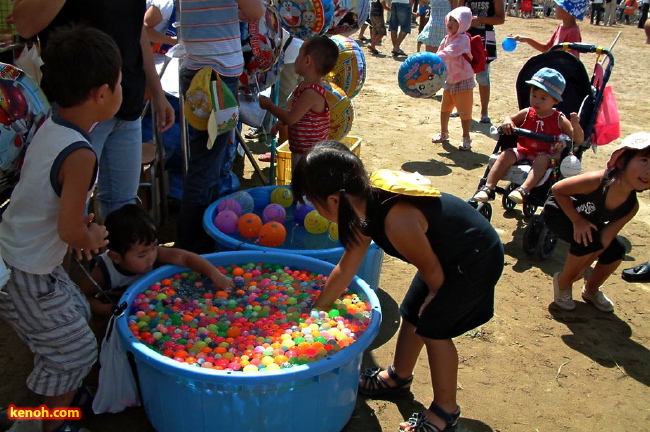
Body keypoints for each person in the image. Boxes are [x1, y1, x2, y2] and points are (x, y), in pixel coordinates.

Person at [290, 141, 504, 432]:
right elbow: (345, 268)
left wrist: (435, 297)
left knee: (433, 327)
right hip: (444, 256)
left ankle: (445, 412)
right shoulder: (359, 209)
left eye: (312, 201)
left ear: (333, 200)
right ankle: (397, 378)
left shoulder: (395, 218)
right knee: (412, 313)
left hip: (474, 256)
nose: (312, 208)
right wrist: (317, 312)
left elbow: (431, 271)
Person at [0, 26, 120, 432]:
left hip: (28, 260)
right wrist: (94, 237)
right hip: (25, 271)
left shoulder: (52, 126)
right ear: (102, 94)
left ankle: (57, 398)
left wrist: (75, 226)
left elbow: (51, 202)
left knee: (77, 314)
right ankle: (48, 423)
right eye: (119, 84)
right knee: (75, 352)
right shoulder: (81, 153)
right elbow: (71, 232)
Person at [11, 0, 175, 220]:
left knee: (123, 205)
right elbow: (24, 24)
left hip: (126, 101)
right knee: (66, 209)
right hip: (78, 109)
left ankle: (111, 254)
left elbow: (137, 33)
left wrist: (157, 92)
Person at [177, 0, 265, 254]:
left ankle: (200, 237)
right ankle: (195, 246)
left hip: (198, 70)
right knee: (207, 165)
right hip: (216, 78)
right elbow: (256, 11)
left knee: (208, 161)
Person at [79, 205, 234, 333]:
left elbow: (186, 258)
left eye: (153, 247)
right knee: (103, 323)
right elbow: (83, 295)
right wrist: (105, 309)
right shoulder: (104, 270)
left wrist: (215, 274)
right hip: (119, 306)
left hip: (151, 305)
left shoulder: (153, 253)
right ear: (116, 257)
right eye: (142, 255)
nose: (151, 257)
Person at [544, 132, 650, 312]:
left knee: (616, 249)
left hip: (590, 222)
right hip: (560, 213)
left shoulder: (631, 206)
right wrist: (577, 220)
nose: (649, 171)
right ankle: (563, 282)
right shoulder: (598, 180)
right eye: (645, 161)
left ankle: (591, 289)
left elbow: (606, 238)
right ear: (623, 161)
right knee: (586, 240)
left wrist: (585, 267)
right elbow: (558, 190)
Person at [473, 68, 584, 204]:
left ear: (555, 101)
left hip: (545, 154)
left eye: (543, 98)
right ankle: (488, 186)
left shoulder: (559, 119)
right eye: (534, 96)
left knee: (542, 159)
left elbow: (577, 139)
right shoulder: (527, 112)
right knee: (506, 154)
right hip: (523, 150)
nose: (537, 101)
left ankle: (524, 189)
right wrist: (508, 122)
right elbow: (510, 118)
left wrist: (576, 125)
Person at [259, 36, 339, 169]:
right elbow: (297, 114)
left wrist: (269, 105)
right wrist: (280, 123)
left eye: (298, 56)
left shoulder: (311, 92)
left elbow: (291, 118)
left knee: (305, 187)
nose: (295, 60)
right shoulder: (303, 86)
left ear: (307, 60)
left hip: (311, 156)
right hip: (302, 151)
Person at [431, 7, 476, 151]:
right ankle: (444, 133)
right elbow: (440, 51)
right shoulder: (447, 37)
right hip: (450, 80)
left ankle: (466, 137)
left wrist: (434, 57)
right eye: (449, 19)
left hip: (463, 80)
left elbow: (450, 52)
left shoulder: (462, 39)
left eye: (454, 21)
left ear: (462, 24)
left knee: (464, 112)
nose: (450, 23)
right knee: (445, 109)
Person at [459, 0, 505, 124]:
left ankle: (484, 112)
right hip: (466, 37)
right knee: (462, 75)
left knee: (483, 76)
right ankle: (461, 108)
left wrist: (480, 20)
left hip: (485, 38)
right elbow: (458, 13)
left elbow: (500, 19)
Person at [512, 0, 585, 57]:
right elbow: (546, 48)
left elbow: (572, 60)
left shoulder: (573, 32)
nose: (555, 8)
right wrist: (526, 39)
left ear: (568, 10)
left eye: (558, 6)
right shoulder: (560, 27)